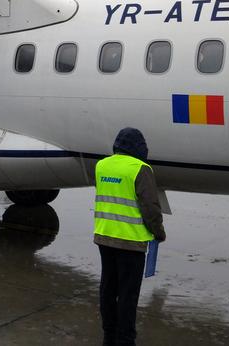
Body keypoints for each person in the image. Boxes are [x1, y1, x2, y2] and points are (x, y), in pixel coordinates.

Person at [94, 127, 166, 346]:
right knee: (128, 295)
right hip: (131, 242)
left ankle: (109, 336)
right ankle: (125, 340)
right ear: (139, 148)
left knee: (108, 289)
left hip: (104, 236)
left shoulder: (101, 165)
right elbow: (150, 208)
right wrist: (159, 233)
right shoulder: (141, 169)